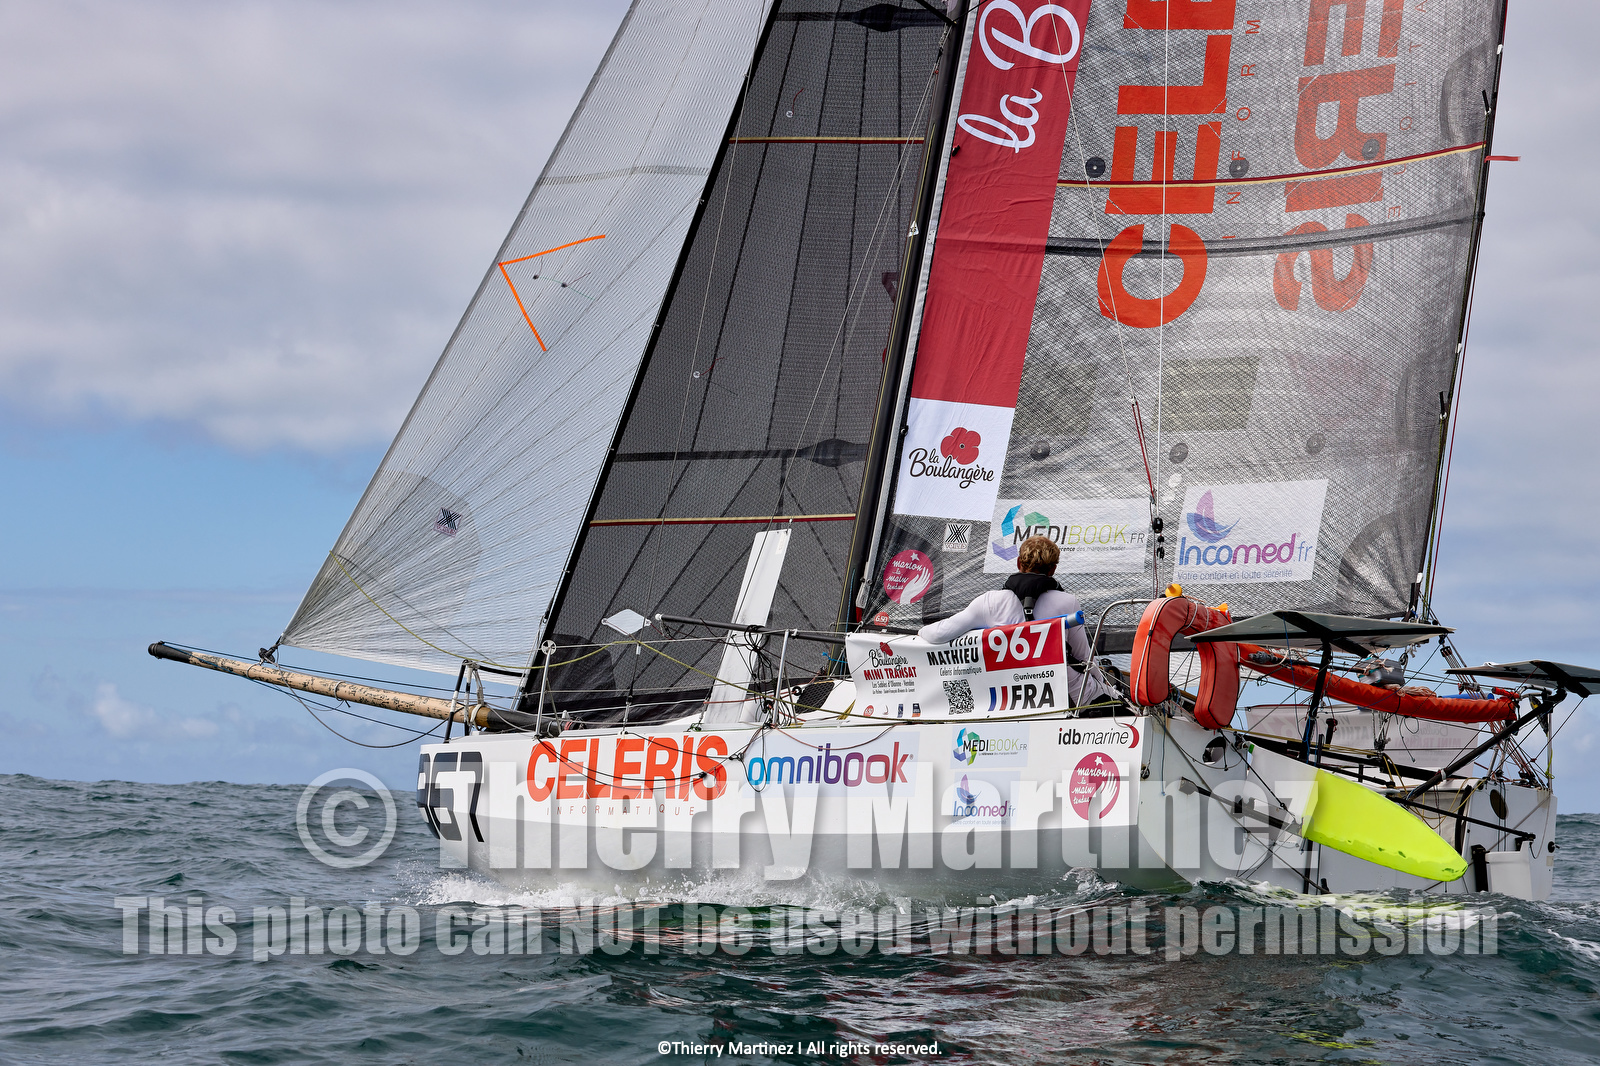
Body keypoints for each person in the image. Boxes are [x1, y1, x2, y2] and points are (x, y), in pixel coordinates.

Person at [917, 535, 1110, 704]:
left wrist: (919, 632)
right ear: (1052, 570)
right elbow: (1084, 658)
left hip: (1006, 698)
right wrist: (1105, 684)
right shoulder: (1068, 602)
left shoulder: (989, 602)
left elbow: (939, 634)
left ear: (1019, 563)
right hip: (1064, 696)